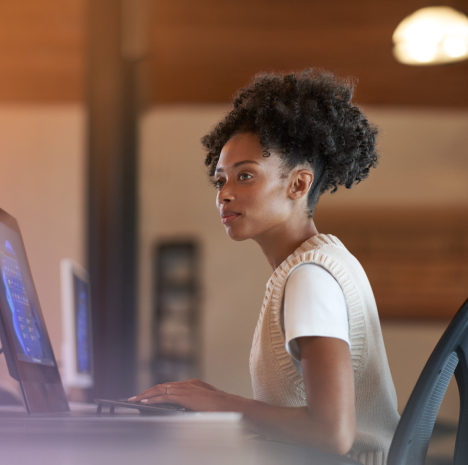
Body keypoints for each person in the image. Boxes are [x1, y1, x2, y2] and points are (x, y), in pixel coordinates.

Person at [129, 69, 400, 465]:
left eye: (245, 176)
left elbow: (332, 433)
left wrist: (221, 403)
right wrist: (215, 403)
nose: (224, 194)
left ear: (298, 185)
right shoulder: (319, 264)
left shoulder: (310, 279)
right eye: (220, 180)